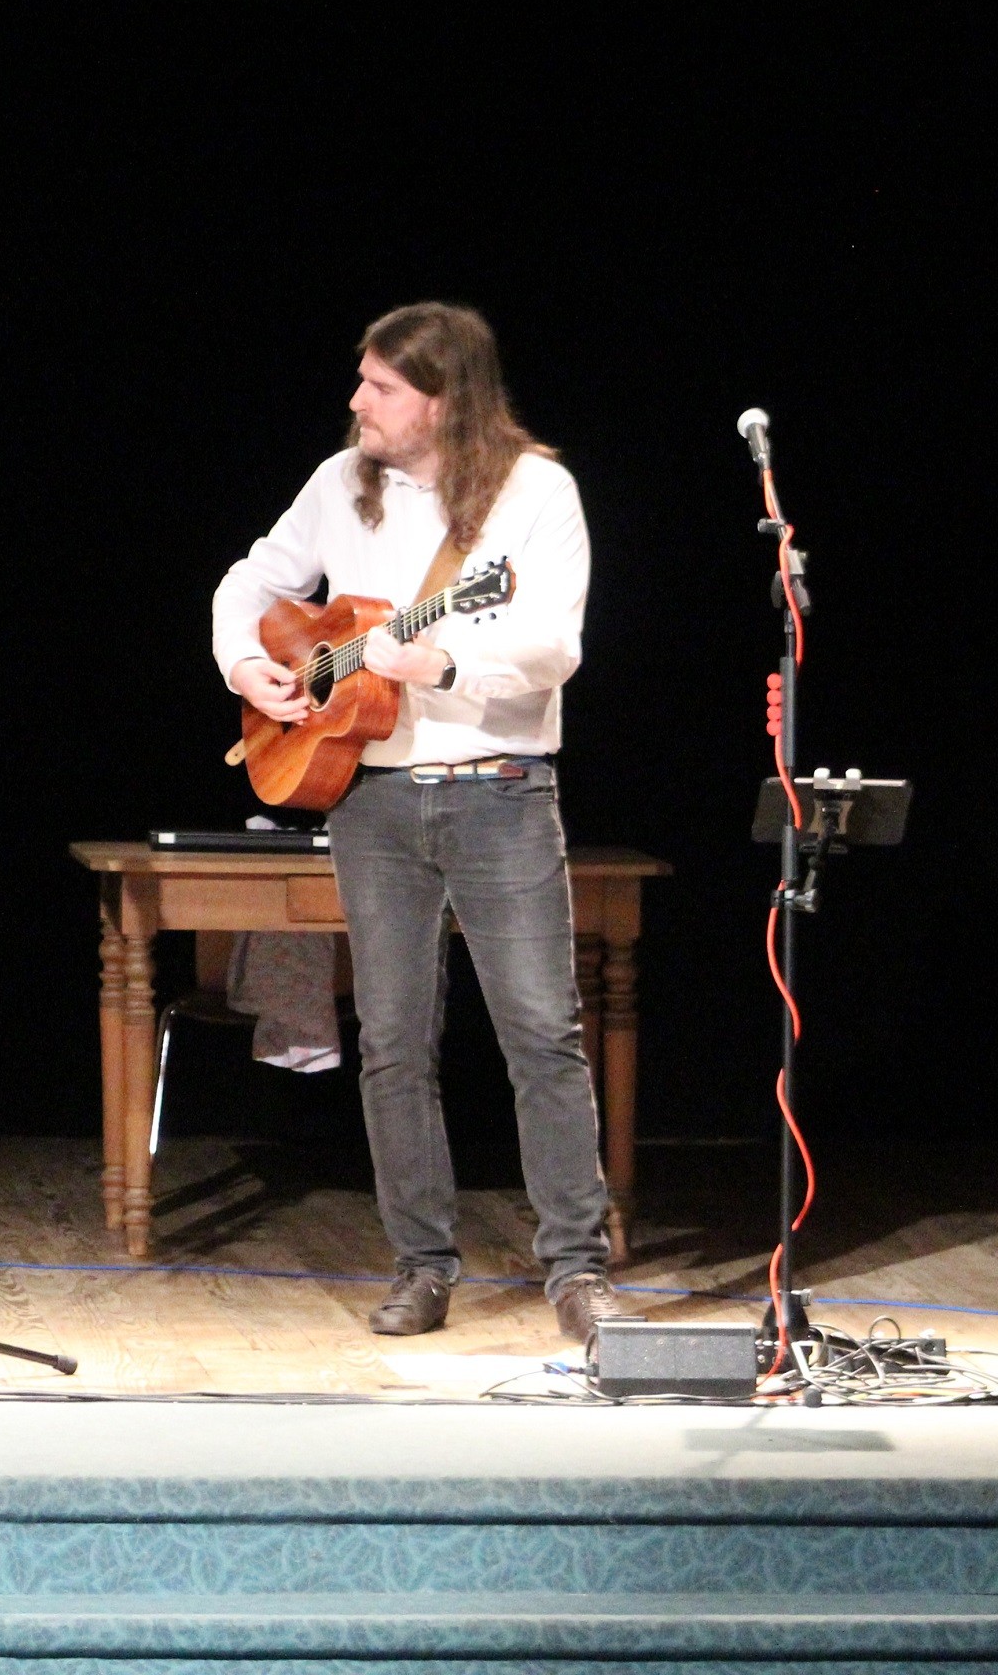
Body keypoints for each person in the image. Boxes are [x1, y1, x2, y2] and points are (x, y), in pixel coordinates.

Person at [209, 302, 617, 1346]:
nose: (357, 401)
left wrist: (438, 660)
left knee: (542, 1031)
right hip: (372, 797)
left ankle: (577, 1266)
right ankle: (422, 1262)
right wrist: (247, 663)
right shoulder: (343, 482)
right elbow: (254, 579)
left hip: (499, 786)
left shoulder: (536, 495)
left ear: (444, 398)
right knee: (393, 1040)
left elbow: (554, 642)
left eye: (381, 386)